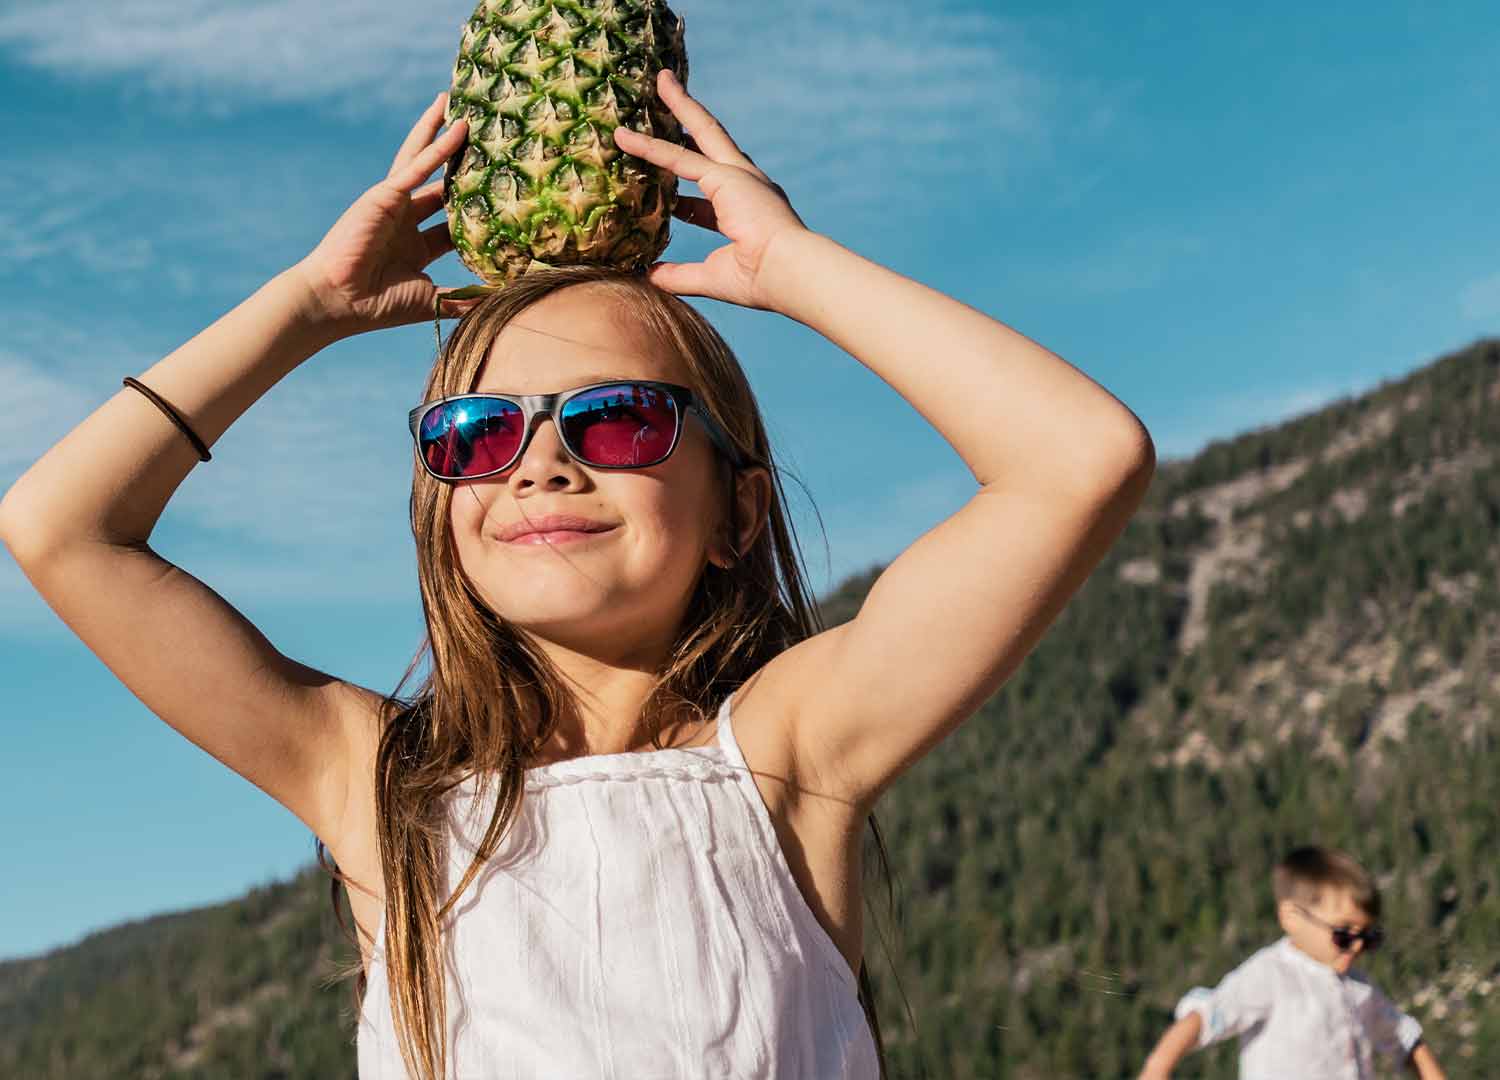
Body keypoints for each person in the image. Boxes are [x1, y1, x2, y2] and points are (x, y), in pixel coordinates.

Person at [0, 71, 1153, 1080]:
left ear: (739, 511)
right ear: (439, 497)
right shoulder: (374, 784)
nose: (539, 461)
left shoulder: (792, 748)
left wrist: (797, 268)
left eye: (615, 420)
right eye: (475, 434)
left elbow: (1077, 462)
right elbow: (60, 527)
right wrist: (307, 307)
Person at [1139, 846, 1446, 1080]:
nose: (1356, 947)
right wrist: (1157, 1069)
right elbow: (1206, 1017)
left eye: (1368, 938)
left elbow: (1404, 1037)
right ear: (1292, 918)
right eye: (1342, 934)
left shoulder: (1360, 987)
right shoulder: (1271, 974)